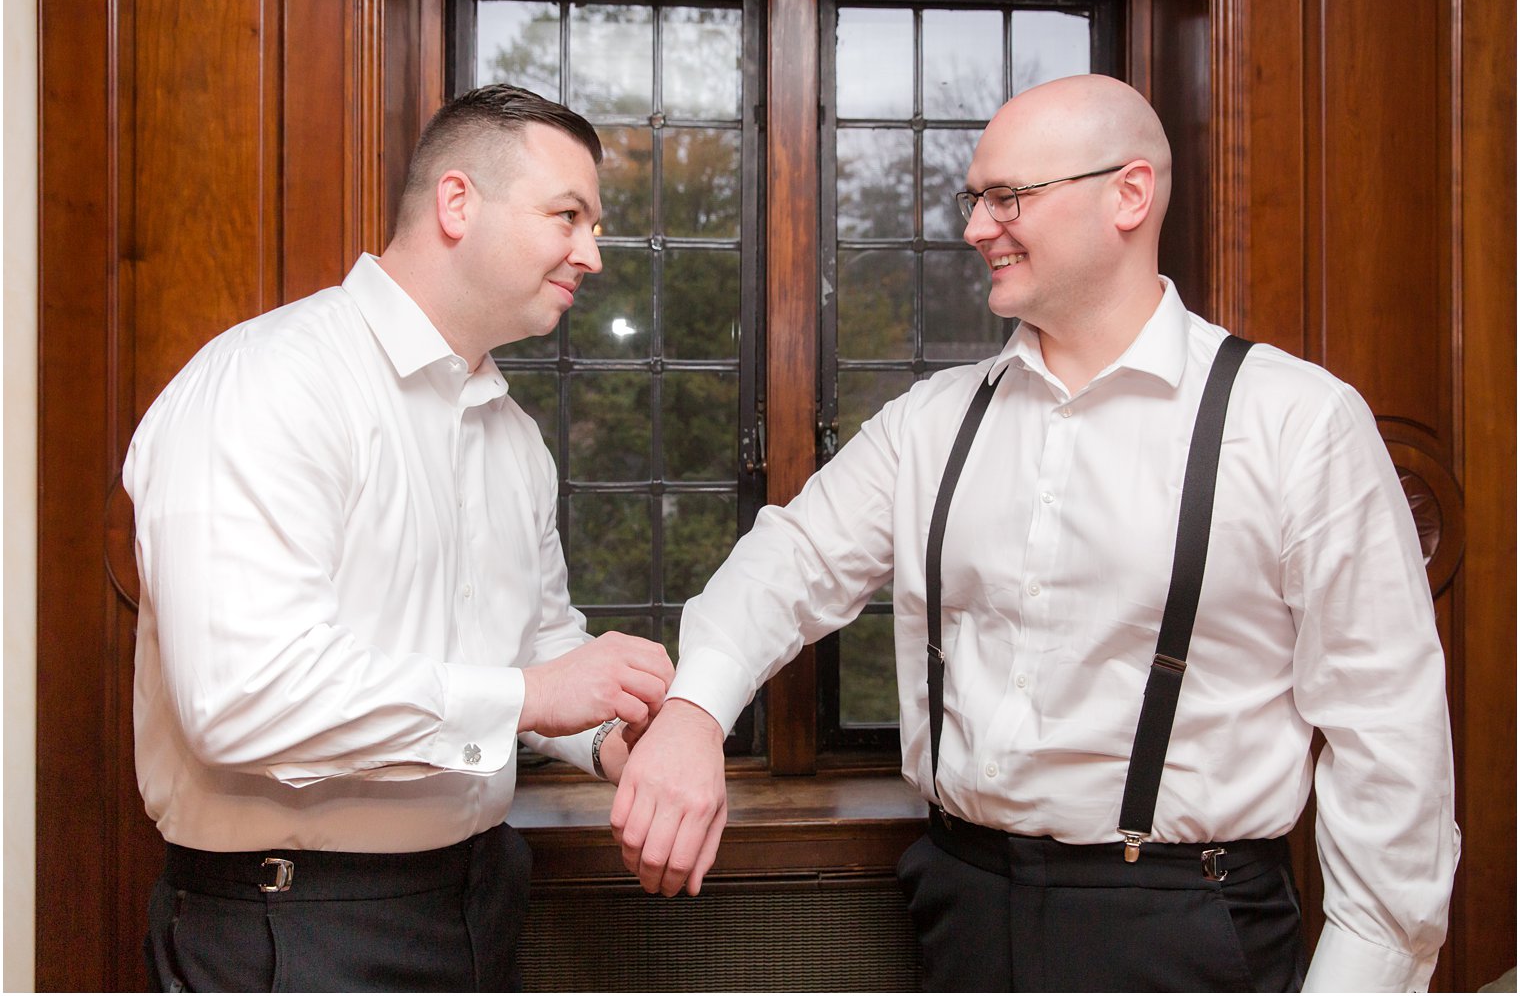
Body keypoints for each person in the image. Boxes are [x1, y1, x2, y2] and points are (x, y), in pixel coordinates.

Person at [611, 74, 1458, 992]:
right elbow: (794, 557)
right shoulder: (932, 420)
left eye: (1008, 197)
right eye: (974, 198)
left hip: (1188, 926)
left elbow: (1391, 746)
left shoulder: (1299, 421)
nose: (976, 227)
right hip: (962, 904)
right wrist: (694, 711)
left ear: (1128, 194)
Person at [126, 84, 674, 991]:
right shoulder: (269, 384)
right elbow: (240, 695)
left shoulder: (514, 437)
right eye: (569, 215)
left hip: (480, 899)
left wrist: (615, 732)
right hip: (290, 926)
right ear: (458, 203)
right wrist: (533, 694)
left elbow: (535, 641)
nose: (593, 253)